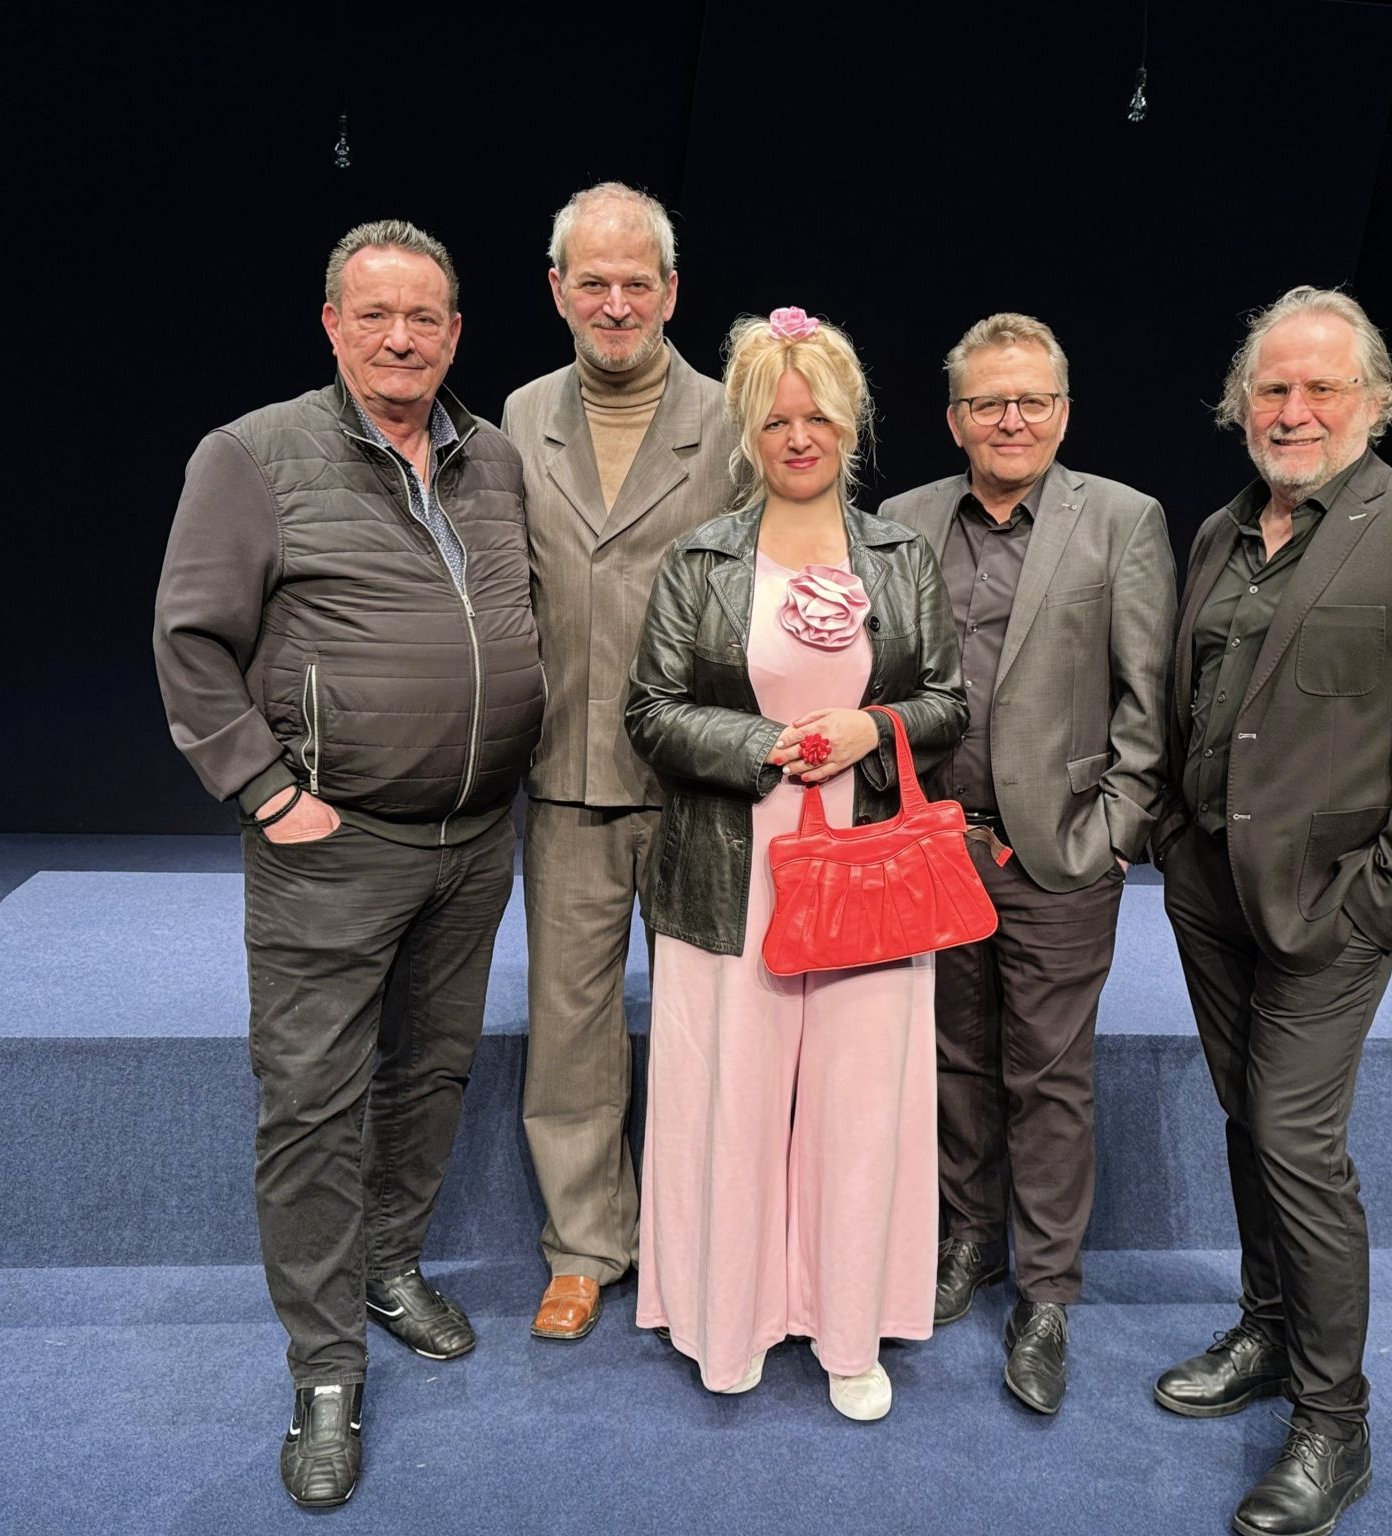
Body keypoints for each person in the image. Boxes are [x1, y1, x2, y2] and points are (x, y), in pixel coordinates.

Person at [152, 220, 541, 1509]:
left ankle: (389, 1265)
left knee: (430, 1072)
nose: (400, 338)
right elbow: (192, 644)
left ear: (455, 333)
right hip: (337, 846)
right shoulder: (253, 455)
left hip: (476, 838)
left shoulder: (491, 461)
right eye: (373, 315)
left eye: (423, 318)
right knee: (312, 1103)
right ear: (330, 325)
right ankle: (324, 1372)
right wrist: (266, 791)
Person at [1152, 286, 1392, 1536]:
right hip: (1206, 887)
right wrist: (1165, 837)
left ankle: (1333, 1421)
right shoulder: (1216, 533)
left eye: (1319, 388)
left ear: (1374, 400)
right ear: (1240, 403)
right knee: (1245, 1122)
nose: (1291, 410)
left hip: (1331, 909)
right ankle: (1261, 1331)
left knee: (1298, 1147)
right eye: (1270, 388)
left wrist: (1385, 906)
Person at [624, 308, 967, 1419]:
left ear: (850, 420)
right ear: (745, 428)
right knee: (730, 1094)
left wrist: (875, 729)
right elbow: (651, 712)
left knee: (861, 1100)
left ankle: (847, 1329)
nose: (798, 434)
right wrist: (761, 746)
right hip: (736, 860)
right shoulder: (700, 558)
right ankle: (730, 1317)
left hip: (867, 861)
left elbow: (947, 702)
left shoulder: (903, 557)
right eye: (775, 418)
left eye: (817, 413)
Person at [880, 312, 1175, 1414]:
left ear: (1063, 409)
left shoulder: (1123, 520)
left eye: (1033, 400)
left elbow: (1151, 701)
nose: (1012, 419)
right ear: (954, 417)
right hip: (931, 848)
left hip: (1058, 855)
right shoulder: (899, 521)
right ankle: (971, 1244)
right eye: (989, 402)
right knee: (953, 1057)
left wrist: (1112, 835)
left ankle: (1046, 1290)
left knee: (1047, 1075)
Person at [501, 182, 730, 1343]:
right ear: (556, 291)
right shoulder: (520, 413)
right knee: (570, 1023)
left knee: (709, 1025)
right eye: (592, 280)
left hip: (702, 783)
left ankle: (703, 1239)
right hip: (565, 779)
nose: (615, 300)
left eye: (636, 280)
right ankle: (585, 1245)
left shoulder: (735, 417)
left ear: (671, 291)